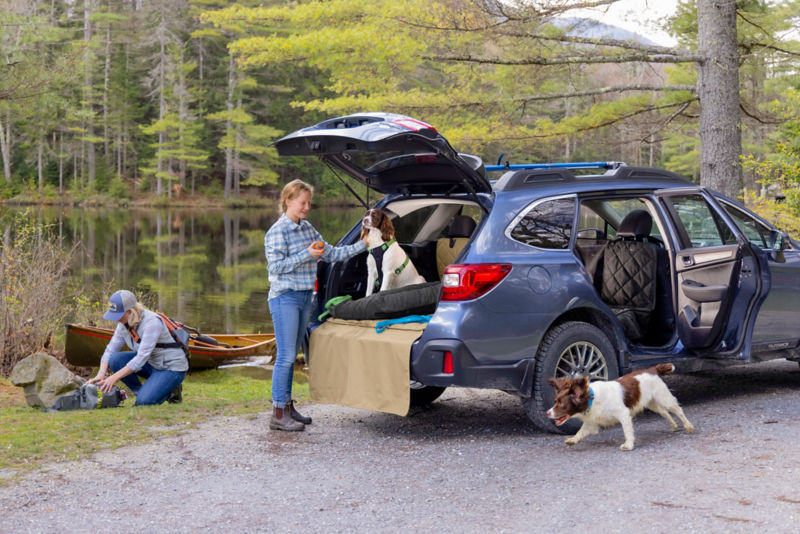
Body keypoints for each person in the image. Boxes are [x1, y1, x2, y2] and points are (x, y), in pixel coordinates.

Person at [264, 179, 366, 431]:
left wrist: (364, 244)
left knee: (291, 355)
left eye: (309, 203)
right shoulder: (277, 232)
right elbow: (275, 268)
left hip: (304, 298)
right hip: (284, 298)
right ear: (288, 201)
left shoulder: (308, 229)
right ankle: (278, 413)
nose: (306, 207)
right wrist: (306, 255)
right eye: (302, 202)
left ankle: (287, 406)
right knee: (286, 357)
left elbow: (332, 253)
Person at [86, 290, 188, 405]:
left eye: (118, 315)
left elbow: (140, 359)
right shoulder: (123, 323)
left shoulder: (152, 322)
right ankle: (141, 392)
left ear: (130, 312)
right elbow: (110, 350)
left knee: (144, 402)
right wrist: (101, 373)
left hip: (170, 368)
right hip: (152, 363)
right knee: (115, 359)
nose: (116, 319)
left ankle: (170, 390)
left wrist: (113, 378)